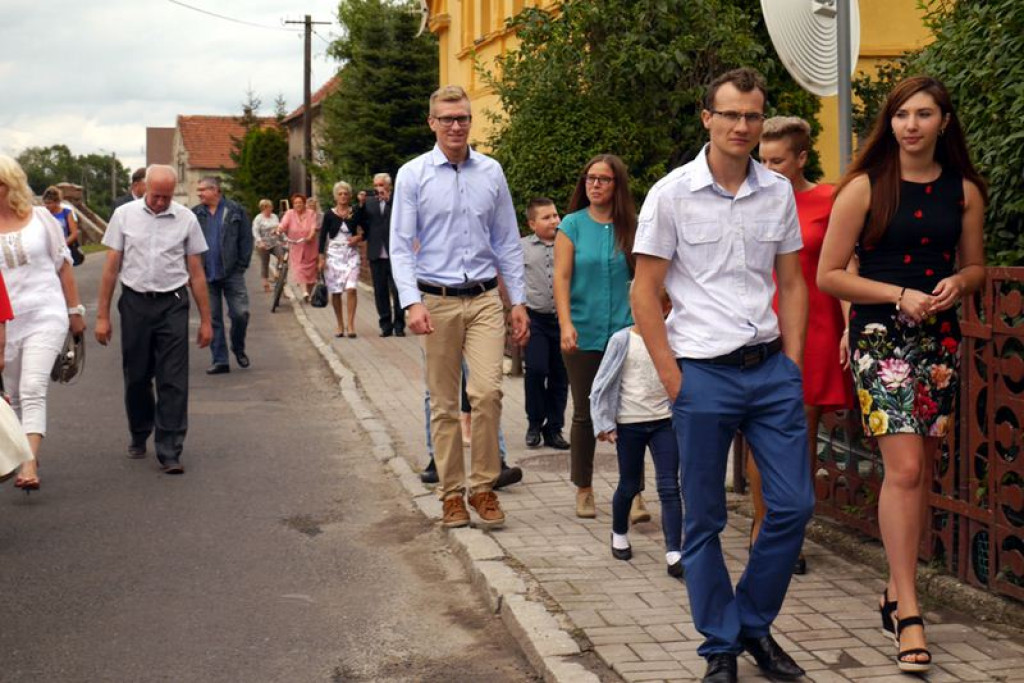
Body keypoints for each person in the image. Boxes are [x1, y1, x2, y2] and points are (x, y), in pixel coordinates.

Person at [631, 68, 814, 683]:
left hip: (769, 373)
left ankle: (753, 626)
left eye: (753, 116)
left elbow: (791, 282)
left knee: (792, 506)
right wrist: (671, 376)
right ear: (707, 117)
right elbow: (646, 291)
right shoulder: (671, 193)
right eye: (731, 114)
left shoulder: (777, 192)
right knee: (705, 518)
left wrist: (791, 363)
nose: (742, 126)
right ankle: (719, 647)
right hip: (701, 375)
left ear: (763, 122)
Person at [818, 75, 986, 675]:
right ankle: (910, 610)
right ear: (888, 124)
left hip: (937, 338)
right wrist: (898, 294)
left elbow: (974, 268)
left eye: (924, 114)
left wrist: (957, 285)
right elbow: (829, 275)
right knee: (906, 468)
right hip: (880, 337)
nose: (911, 125)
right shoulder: (864, 187)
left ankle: (894, 591)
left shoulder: (964, 192)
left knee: (921, 474)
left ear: (944, 121)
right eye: (901, 115)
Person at [390, 84, 529, 530]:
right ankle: (451, 494)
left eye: (463, 118)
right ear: (431, 123)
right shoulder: (413, 174)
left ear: (471, 121)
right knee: (444, 402)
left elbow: (507, 240)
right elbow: (399, 245)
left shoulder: (491, 171)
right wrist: (411, 302)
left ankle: (484, 487)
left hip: (486, 297)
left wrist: (519, 301)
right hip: (437, 300)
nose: (455, 125)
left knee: (487, 393)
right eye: (447, 118)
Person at [747, 116, 855, 574]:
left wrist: (851, 326)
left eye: (777, 160)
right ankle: (760, 526)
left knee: (800, 438)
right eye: (762, 159)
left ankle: (791, 535)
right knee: (756, 432)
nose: (768, 168)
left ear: (801, 158)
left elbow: (846, 264)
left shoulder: (829, 200)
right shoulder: (749, 200)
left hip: (813, 329)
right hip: (756, 326)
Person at [95, 165, 213, 475]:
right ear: (145, 188)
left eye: (167, 197)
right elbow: (110, 268)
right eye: (156, 196)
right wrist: (102, 316)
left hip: (173, 302)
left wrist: (206, 321)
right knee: (137, 376)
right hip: (134, 301)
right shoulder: (125, 215)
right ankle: (139, 430)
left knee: (173, 379)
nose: (160, 202)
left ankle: (170, 448)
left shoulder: (186, 219)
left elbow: (197, 273)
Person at [554, 154, 637, 520]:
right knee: (586, 413)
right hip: (583, 331)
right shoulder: (571, 225)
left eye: (604, 179)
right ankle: (584, 489)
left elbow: (647, 278)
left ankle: (633, 492)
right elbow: (562, 277)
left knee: (631, 414)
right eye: (590, 178)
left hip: (625, 333)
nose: (596, 185)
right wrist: (565, 323)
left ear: (617, 185)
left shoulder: (631, 227)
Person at [0, 156, 86, 492]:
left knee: (33, 387)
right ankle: (25, 451)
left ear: (10, 184)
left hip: (45, 313)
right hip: (7, 321)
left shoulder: (41, 219)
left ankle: (29, 462)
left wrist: (74, 310)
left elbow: (64, 265)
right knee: (15, 394)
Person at [590, 291, 683, 579]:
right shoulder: (622, 340)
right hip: (629, 423)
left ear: (667, 307)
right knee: (629, 484)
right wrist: (603, 423)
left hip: (664, 422)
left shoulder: (674, 338)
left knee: (669, 485)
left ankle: (673, 550)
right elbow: (601, 384)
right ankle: (619, 532)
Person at [521, 197, 570, 450]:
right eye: (547, 217)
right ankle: (534, 422)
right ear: (532, 224)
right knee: (537, 370)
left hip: (563, 320)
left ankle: (554, 428)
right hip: (536, 320)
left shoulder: (569, 243)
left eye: (555, 215)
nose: (554, 220)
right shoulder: (522, 248)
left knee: (561, 375)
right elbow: (512, 279)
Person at [193, 176, 253, 375]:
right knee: (212, 318)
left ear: (216, 190)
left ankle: (238, 346)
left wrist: (241, 265)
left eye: (203, 190)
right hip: (205, 274)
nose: (199, 193)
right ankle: (220, 360)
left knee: (240, 313)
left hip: (232, 273)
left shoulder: (235, 210)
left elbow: (246, 239)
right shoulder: (195, 214)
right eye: (198, 190)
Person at [359, 173, 405, 337]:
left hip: (395, 253)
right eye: (375, 185)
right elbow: (362, 223)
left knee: (398, 290)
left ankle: (399, 325)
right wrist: (360, 205)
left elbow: (403, 218)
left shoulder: (397, 200)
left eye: (380, 185)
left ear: (388, 186)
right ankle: (385, 325)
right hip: (376, 252)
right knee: (380, 291)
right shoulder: (370, 202)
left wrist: (389, 201)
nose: (378, 188)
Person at [317, 181, 363, 338]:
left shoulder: (355, 212)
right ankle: (339, 325)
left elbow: (367, 229)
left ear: (350, 196)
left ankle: (351, 325)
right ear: (336, 197)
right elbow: (322, 236)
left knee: (351, 288)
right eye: (340, 194)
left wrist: (359, 237)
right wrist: (321, 258)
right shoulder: (329, 214)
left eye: (346, 194)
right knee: (336, 291)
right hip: (334, 255)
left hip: (351, 253)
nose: (343, 196)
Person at [278, 194, 320, 300]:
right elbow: (283, 224)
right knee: (299, 269)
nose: (298, 205)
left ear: (304, 203)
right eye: (296, 203)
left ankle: (308, 294)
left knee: (311, 272)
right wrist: (278, 230)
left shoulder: (311, 213)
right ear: (293, 204)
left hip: (310, 246)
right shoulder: (289, 213)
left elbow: (313, 227)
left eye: (300, 202)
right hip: (296, 246)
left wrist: (310, 237)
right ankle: (304, 291)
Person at [42, 186, 83, 266]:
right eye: (45, 203)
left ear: (57, 202)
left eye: (49, 203)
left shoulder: (66, 213)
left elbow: (74, 233)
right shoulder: (44, 214)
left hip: (63, 248)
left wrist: (62, 245)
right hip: (48, 250)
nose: (47, 206)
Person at [252, 199, 283, 293]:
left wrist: (280, 235)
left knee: (282, 256)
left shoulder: (274, 216)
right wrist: (260, 241)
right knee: (265, 263)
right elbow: (255, 231)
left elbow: (279, 227)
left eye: (271, 207)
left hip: (274, 242)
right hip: (263, 244)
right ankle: (266, 284)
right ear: (263, 208)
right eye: (269, 207)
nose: (271, 208)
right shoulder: (259, 218)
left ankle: (277, 273)